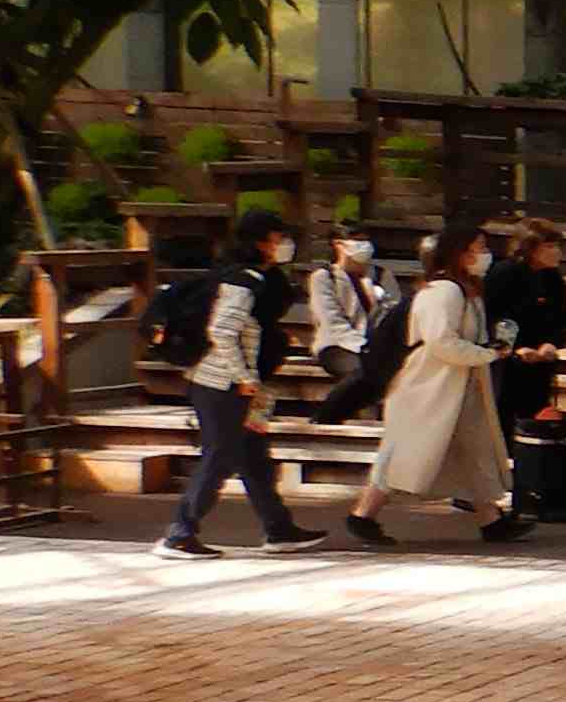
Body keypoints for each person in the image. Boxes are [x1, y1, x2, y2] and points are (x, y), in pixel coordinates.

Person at [345, 225, 533, 549]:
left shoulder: (465, 290)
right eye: (478, 248)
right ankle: (363, 515)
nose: (484, 255)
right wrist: (487, 354)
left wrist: (485, 352)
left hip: (456, 386)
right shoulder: (444, 291)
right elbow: (441, 342)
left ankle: (491, 520)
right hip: (428, 387)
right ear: (459, 253)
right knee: (404, 451)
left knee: (471, 450)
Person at [157, 209, 327, 563]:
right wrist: (243, 378)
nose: (284, 245)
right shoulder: (242, 283)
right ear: (261, 242)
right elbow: (222, 331)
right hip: (223, 384)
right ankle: (180, 533)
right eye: (278, 238)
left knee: (253, 457)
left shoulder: (245, 277)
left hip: (229, 382)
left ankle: (279, 529)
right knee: (219, 456)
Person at [482, 219, 566, 447]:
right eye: (549, 246)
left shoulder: (553, 278)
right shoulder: (503, 273)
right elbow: (491, 315)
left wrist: (551, 343)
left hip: (540, 364)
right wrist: (514, 347)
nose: (556, 251)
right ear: (530, 248)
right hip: (505, 364)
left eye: (557, 246)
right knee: (502, 421)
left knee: (534, 422)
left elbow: (563, 318)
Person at [302, 227, 392, 387]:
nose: (364, 245)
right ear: (338, 244)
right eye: (358, 241)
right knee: (362, 372)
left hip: (378, 346)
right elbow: (331, 321)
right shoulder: (324, 277)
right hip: (337, 345)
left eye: (366, 240)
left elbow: (392, 312)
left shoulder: (382, 275)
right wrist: (363, 346)